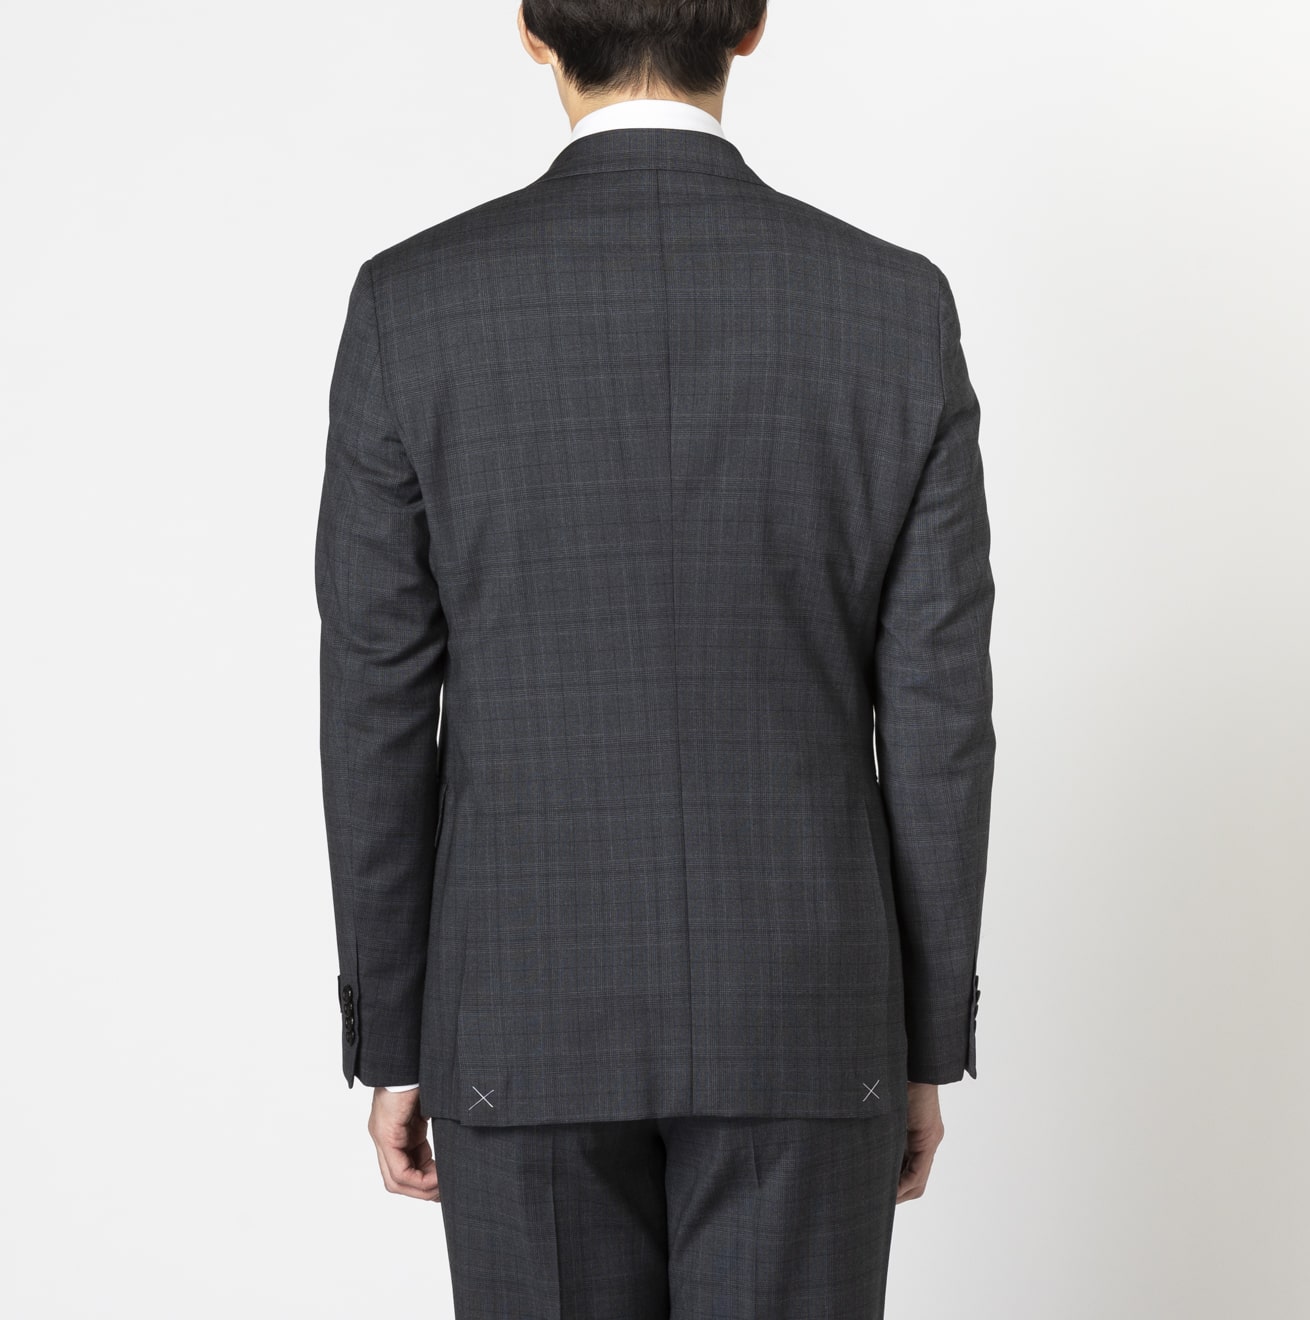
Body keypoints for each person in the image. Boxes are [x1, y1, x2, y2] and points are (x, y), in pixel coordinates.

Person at [314, 2, 995, 1314]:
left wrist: (395, 1032)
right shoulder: (891, 308)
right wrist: (919, 1035)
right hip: (808, 1018)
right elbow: (938, 720)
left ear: (534, 31)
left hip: (518, 1016)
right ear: (749, 28)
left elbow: (377, 705)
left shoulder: (416, 304)